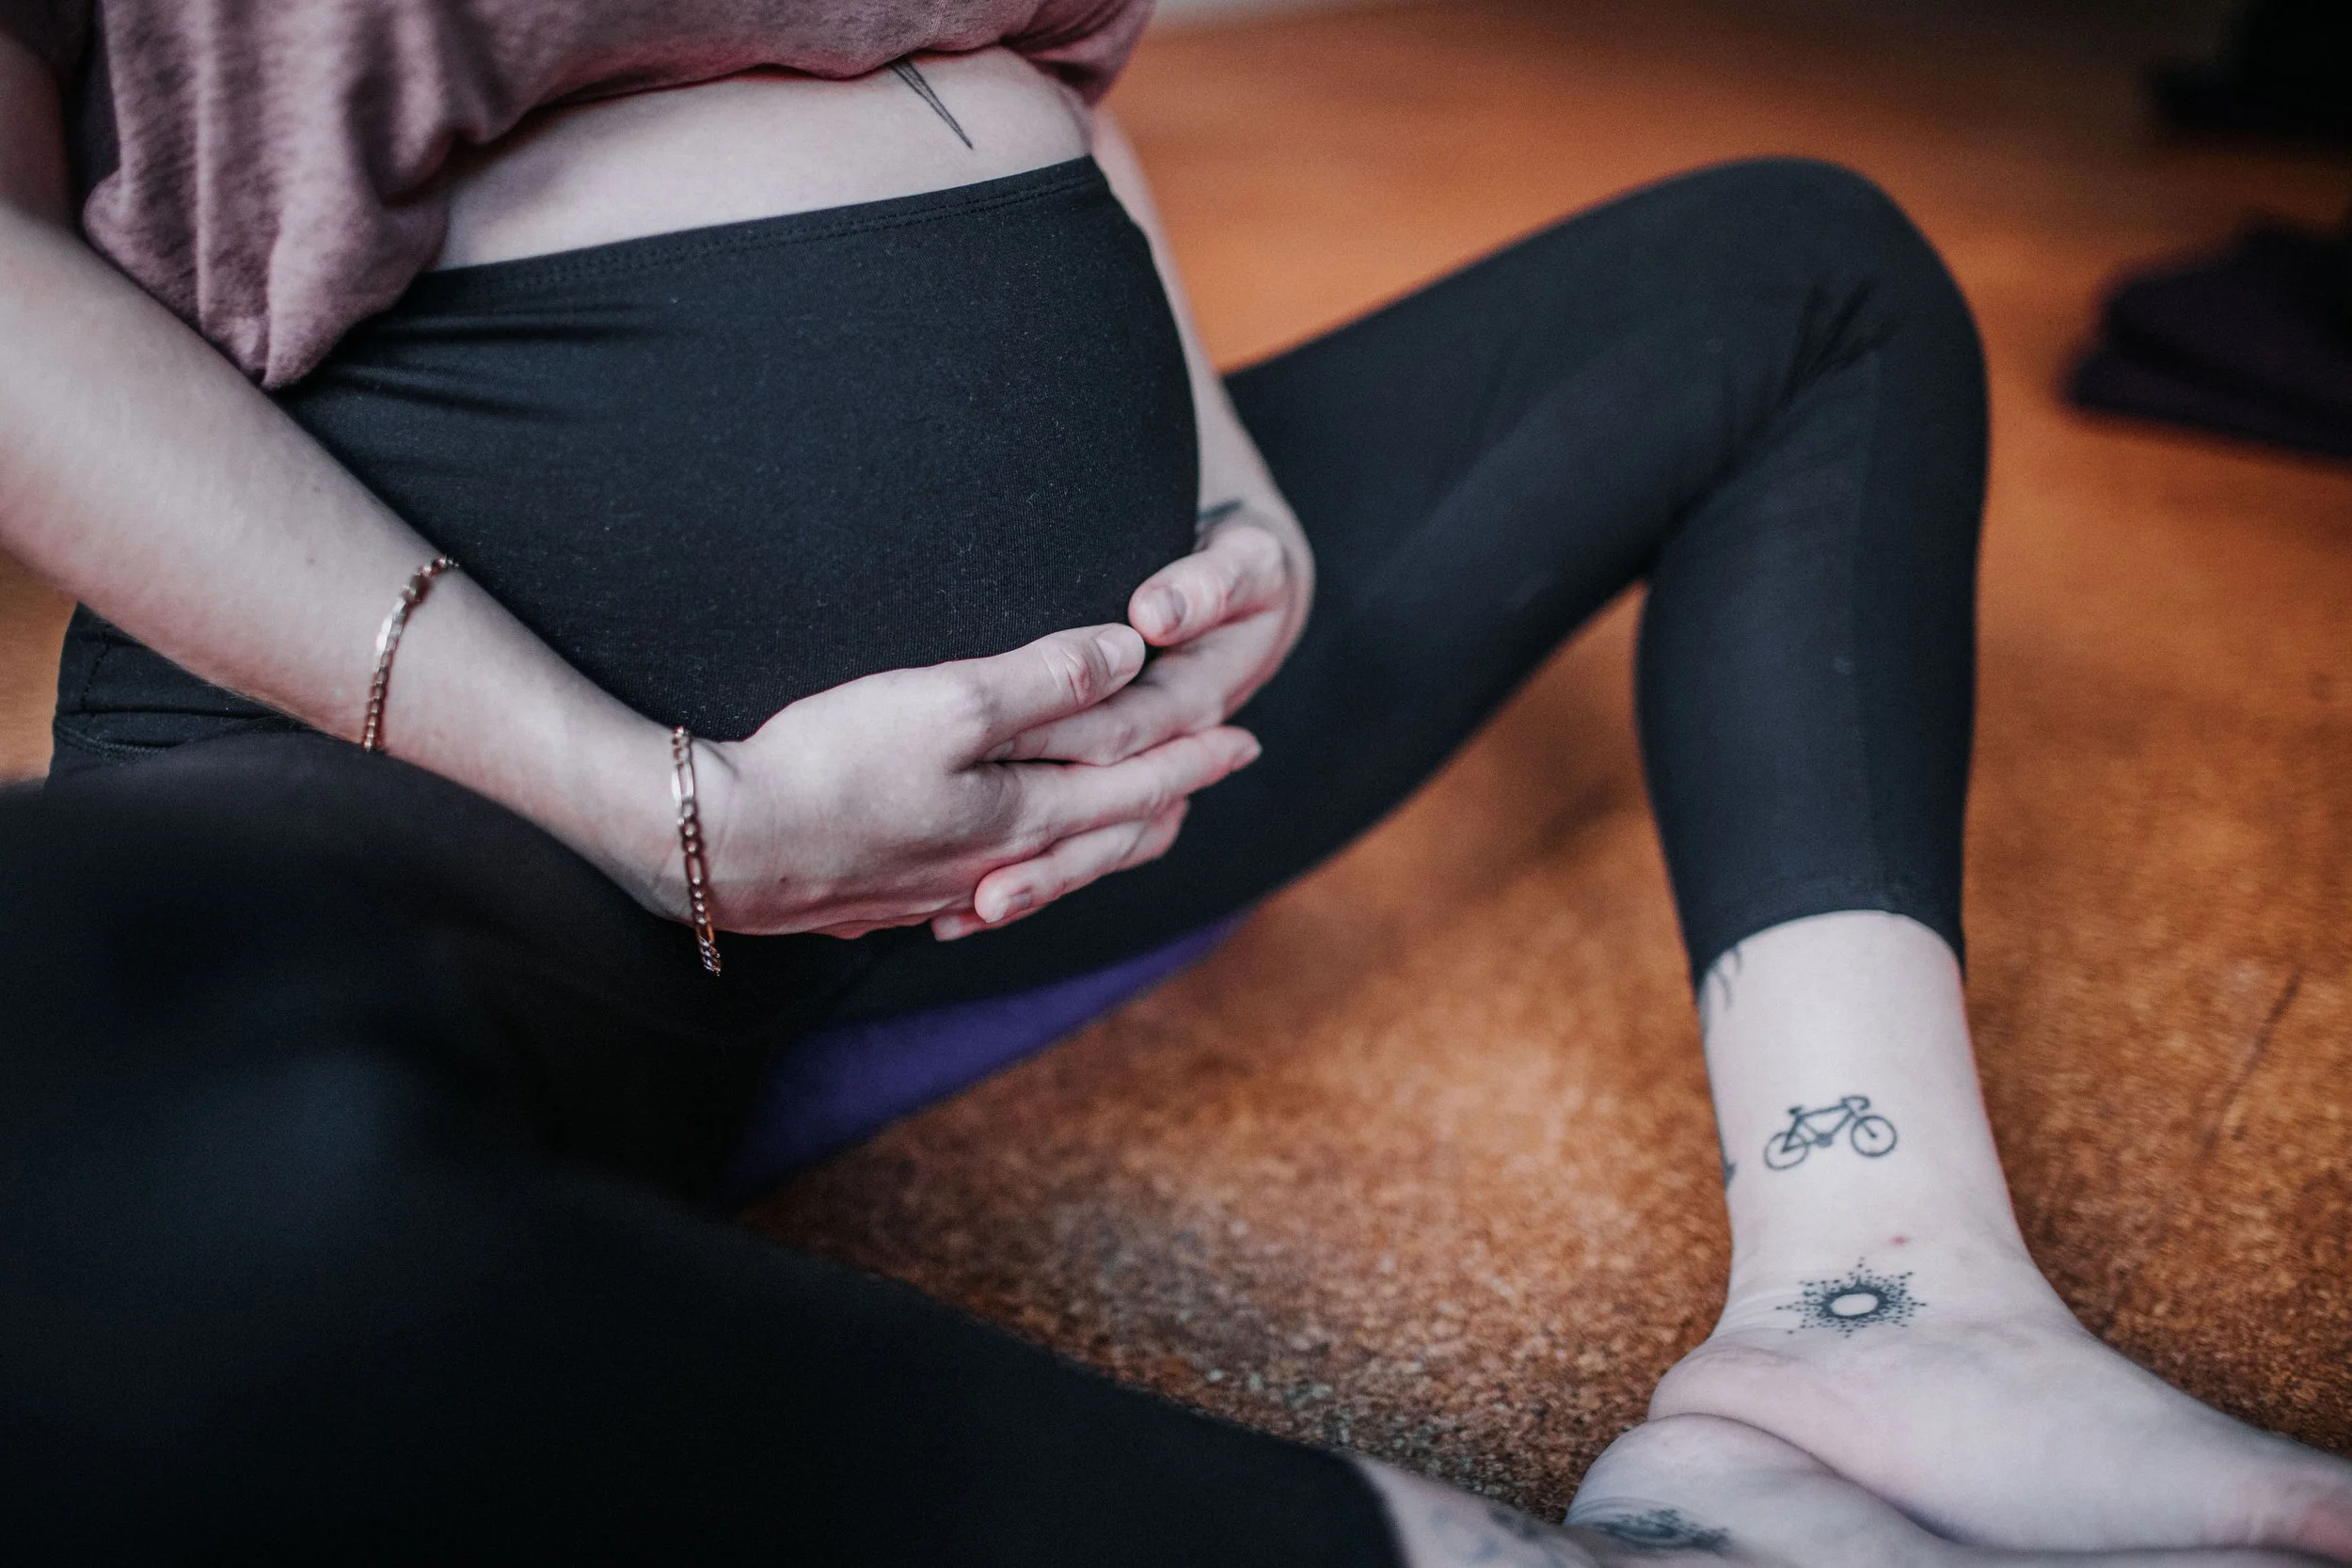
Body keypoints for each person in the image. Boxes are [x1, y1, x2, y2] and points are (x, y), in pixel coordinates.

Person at [0, 3, 2345, 1562]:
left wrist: (1229, 486)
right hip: (468, 782)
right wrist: (653, 795)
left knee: (1795, 275)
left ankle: (1877, 1304)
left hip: (1108, 747)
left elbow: (1031, 77)